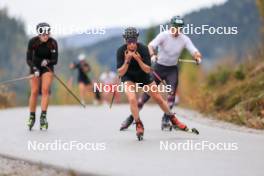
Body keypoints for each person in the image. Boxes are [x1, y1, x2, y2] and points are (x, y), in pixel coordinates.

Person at [120, 16, 202, 131]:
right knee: (146, 96)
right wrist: (152, 55)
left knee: (171, 94)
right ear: (171, 26)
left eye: (180, 28)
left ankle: (166, 119)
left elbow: (194, 50)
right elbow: (150, 46)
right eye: (175, 27)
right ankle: (131, 118)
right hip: (158, 68)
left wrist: (197, 57)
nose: (177, 30)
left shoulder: (184, 39)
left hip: (172, 70)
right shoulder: (164, 35)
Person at [26, 22, 58, 130]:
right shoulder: (32, 42)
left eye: (47, 34)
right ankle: (32, 116)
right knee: (34, 91)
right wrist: (34, 69)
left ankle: (43, 117)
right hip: (34, 66)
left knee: (45, 90)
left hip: (47, 67)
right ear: (39, 34)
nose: (46, 36)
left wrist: (48, 61)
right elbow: (28, 59)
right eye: (43, 35)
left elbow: (55, 60)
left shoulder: (53, 43)